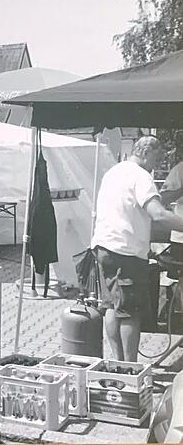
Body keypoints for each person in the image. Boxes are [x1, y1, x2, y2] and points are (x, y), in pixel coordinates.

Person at [91, 136, 183, 362]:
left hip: (103, 246)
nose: (156, 162)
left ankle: (117, 362)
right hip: (126, 252)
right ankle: (130, 366)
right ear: (145, 152)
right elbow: (158, 214)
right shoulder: (142, 177)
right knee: (130, 312)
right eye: (156, 157)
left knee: (112, 306)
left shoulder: (113, 172)